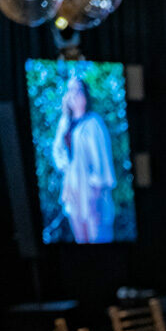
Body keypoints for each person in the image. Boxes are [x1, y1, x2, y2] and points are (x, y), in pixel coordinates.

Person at [51, 74, 116, 244]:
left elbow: (100, 160)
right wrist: (66, 168)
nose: (74, 94)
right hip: (73, 189)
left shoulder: (94, 123)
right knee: (81, 241)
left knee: (98, 238)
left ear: (85, 95)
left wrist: (96, 192)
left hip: (92, 191)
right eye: (70, 90)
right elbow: (57, 150)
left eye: (78, 90)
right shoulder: (65, 123)